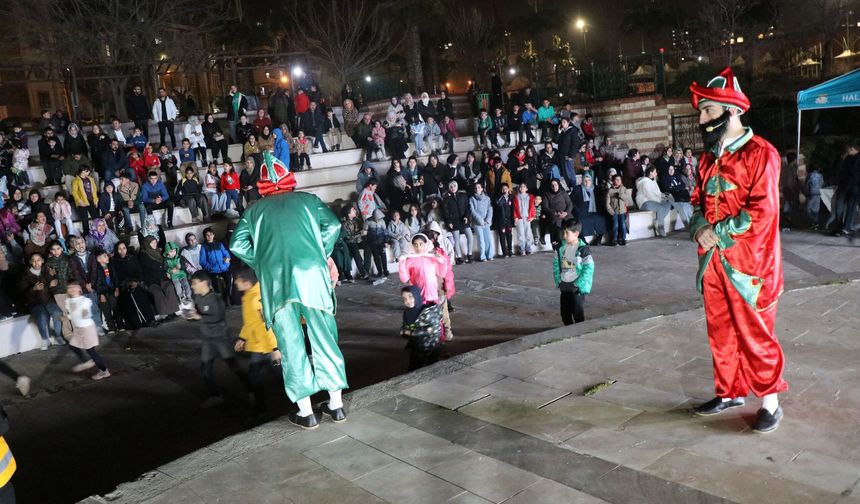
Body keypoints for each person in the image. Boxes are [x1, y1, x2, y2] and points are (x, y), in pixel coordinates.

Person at [688, 67, 787, 433]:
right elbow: (696, 201)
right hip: (712, 263)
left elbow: (763, 211)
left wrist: (720, 233)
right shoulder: (705, 159)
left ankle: (771, 402)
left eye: (708, 111)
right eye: (701, 112)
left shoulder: (762, 154)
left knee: (756, 333)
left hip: (750, 266)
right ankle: (730, 391)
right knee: (720, 330)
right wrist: (700, 228)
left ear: (732, 111)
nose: (701, 119)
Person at [230, 151, 348, 429]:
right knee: (324, 336)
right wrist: (320, 253)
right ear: (288, 178)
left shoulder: (254, 211)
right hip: (313, 279)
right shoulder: (308, 201)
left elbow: (238, 245)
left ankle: (306, 412)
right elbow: (333, 225)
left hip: (278, 283)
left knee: (291, 343)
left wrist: (263, 263)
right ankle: (336, 405)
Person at [188, 271, 250, 408]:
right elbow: (200, 313)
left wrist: (200, 317)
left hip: (220, 338)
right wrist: (193, 314)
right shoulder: (197, 297)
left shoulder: (216, 299)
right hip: (207, 339)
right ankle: (215, 396)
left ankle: (251, 389)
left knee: (233, 365)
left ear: (204, 282)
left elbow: (217, 317)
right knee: (205, 368)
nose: (192, 286)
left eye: (194, 283)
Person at [233, 267, 280, 416]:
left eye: (238, 280)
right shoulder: (249, 296)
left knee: (277, 375)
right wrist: (242, 338)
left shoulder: (256, 299)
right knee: (259, 375)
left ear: (247, 283)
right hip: (258, 344)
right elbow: (250, 323)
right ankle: (261, 407)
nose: (235, 282)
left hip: (266, 346)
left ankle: (262, 408)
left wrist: (275, 349)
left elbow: (266, 326)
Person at [64, 280, 112, 380]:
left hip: (87, 329)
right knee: (73, 346)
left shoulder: (84, 301)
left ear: (79, 288)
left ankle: (104, 371)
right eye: (69, 287)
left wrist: (85, 314)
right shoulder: (68, 301)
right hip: (78, 329)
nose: (72, 289)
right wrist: (67, 316)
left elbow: (87, 313)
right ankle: (86, 361)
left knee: (91, 351)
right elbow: (71, 315)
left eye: (74, 286)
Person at [552, 220, 594, 325]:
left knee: (577, 313)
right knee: (565, 313)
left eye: (567, 233)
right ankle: (568, 330)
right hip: (564, 285)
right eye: (564, 233)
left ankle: (579, 333)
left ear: (576, 234)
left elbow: (589, 268)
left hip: (576, 288)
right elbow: (556, 264)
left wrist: (578, 284)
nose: (564, 236)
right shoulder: (561, 248)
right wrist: (558, 280)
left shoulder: (583, 250)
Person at [21, 253, 64, 350]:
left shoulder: (47, 270)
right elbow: (23, 293)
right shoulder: (25, 275)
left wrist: (53, 283)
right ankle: (45, 339)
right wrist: (34, 289)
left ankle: (58, 336)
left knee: (58, 313)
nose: (36, 263)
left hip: (48, 300)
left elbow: (53, 285)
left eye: (39, 260)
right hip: (35, 302)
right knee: (41, 316)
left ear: (42, 261)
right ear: (30, 262)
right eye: (34, 260)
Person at [400, 286, 443, 371]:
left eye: (410, 297)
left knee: (431, 367)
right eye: (404, 298)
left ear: (416, 296)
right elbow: (406, 325)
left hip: (430, 346)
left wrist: (412, 333)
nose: (408, 301)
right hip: (417, 344)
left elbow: (434, 330)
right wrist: (403, 330)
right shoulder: (407, 312)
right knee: (414, 366)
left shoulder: (428, 312)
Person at [138, 235, 180, 320]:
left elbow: (163, 266)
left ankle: (172, 311)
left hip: (162, 278)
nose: (154, 244)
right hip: (151, 280)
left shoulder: (157, 252)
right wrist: (165, 274)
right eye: (152, 242)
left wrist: (168, 272)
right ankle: (165, 314)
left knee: (169, 287)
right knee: (158, 292)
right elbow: (150, 270)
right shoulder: (143, 255)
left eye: (155, 242)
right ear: (147, 244)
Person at [636, 166, 672, 237]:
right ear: (650, 173)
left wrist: (665, 196)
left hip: (655, 201)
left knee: (668, 205)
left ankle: (658, 221)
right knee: (661, 208)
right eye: (655, 172)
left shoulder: (653, 181)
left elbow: (658, 193)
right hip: (645, 202)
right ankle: (660, 228)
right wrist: (660, 200)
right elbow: (649, 195)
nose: (656, 173)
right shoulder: (644, 182)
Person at [200, 227, 233, 305]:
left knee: (229, 277)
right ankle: (219, 300)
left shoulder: (219, 245)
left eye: (211, 234)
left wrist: (226, 264)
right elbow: (203, 261)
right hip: (213, 271)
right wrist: (210, 268)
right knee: (216, 282)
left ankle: (227, 297)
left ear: (213, 235)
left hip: (223, 268)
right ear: (205, 237)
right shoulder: (204, 247)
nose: (209, 236)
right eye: (207, 235)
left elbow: (227, 255)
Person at [442, 181, 473, 264]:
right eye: (451, 187)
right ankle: (459, 256)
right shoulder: (446, 199)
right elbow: (446, 212)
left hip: (464, 219)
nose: (453, 188)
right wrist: (449, 222)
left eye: (454, 186)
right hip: (454, 221)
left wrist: (467, 216)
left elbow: (468, 208)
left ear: (457, 186)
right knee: (456, 239)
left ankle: (469, 254)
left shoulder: (463, 196)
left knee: (470, 236)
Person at [571, 173, 606, 246]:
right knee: (581, 221)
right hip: (581, 211)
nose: (587, 182)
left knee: (601, 219)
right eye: (585, 180)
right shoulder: (577, 189)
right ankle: (583, 240)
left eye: (589, 180)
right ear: (582, 181)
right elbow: (571, 201)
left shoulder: (595, 189)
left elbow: (600, 200)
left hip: (594, 211)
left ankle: (599, 238)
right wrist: (576, 211)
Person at [92, 249, 120, 334]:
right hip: (103, 293)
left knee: (115, 307)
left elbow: (115, 278)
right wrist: (101, 294)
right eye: (104, 256)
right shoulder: (97, 269)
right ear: (98, 259)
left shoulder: (110, 266)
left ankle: (120, 325)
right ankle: (111, 327)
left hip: (111, 291)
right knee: (106, 310)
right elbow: (98, 283)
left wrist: (117, 288)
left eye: (107, 255)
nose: (107, 257)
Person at [544, 179, 573, 249]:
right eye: (552, 185)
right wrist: (555, 213)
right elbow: (545, 207)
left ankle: (574, 244)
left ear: (558, 185)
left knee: (573, 224)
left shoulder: (563, 193)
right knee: (557, 227)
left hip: (566, 214)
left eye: (555, 185)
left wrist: (566, 212)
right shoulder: (546, 195)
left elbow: (570, 204)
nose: (554, 187)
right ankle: (557, 245)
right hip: (555, 215)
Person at [606, 174, 633, 246]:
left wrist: (621, 195)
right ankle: (614, 239)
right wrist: (611, 212)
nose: (618, 181)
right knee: (615, 225)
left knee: (623, 225)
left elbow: (628, 199)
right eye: (616, 180)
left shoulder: (623, 189)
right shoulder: (610, 191)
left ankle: (623, 238)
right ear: (613, 181)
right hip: (614, 212)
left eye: (619, 180)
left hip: (622, 211)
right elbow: (607, 204)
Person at [469, 182, 494, 262]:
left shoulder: (487, 198)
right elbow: (472, 211)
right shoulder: (472, 199)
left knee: (488, 239)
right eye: (476, 188)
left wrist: (488, 219)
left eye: (479, 187)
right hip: (477, 223)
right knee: (481, 241)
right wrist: (480, 220)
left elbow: (490, 209)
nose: (477, 189)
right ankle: (482, 256)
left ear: (482, 189)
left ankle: (489, 255)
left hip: (486, 222)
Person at [513, 183, 536, 255]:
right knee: (521, 234)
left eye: (524, 187)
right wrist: (515, 217)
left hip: (527, 217)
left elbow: (533, 207)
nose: (522, 188)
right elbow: (514, 208)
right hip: (519, 218)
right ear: (519, 189)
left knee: (528, 233)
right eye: (521, 187)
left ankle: (528, 248)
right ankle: (522, 249)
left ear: (526, 189)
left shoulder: (531, 197)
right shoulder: (515, 197)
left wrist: (532, 216)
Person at [494, 183, 514, 258]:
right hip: (501, 220)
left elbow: (512, 209)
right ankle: (504, 252)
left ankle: (510, 250)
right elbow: (497, 204)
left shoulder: (511, 198)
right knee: (502, 236)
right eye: (503, 189)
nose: (504, 190)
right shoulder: (498, 198)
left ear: (508, 189)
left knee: (509, 235)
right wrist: (502, 197)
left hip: (509, 220)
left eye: (506, 188)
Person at [806, 164, 824, 229]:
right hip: (818, 193)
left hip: (811, 193)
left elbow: (807, 184)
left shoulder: (810, 175)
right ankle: (815, 224)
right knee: (816, 210)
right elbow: (822, 184)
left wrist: (806, 192)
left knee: (808, 209)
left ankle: (814, 222)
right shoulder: (821, 175)